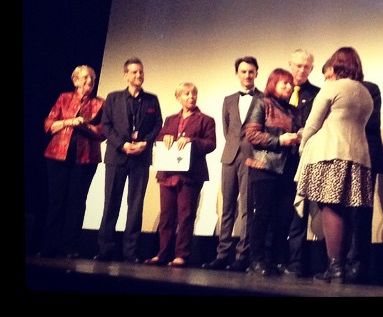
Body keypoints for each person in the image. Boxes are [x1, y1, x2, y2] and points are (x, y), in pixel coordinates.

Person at [296, 46, 373, 284]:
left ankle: (335, 266)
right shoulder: (365, 92)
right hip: (358, 156)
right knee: (346, 209)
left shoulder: (332, 87)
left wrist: (302, 146)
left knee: (330, 207)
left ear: (337, 65)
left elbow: (313, 123)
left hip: (331, 154)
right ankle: (341, 265)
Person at [322, 59, 383, 284]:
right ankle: (336, 264)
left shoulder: (368, 90)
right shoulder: (330, 91)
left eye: (329, 75)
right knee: (336, 209)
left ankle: (358, 265)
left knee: (360, 213)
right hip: (338, 155)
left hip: (362, 156)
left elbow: (368, 123)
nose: (328, 81)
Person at [94, 57, 163, 263]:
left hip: (140, 158)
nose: (139, 75)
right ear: (126, 75)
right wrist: (122, 144)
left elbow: (157, 124)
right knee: (111, 203)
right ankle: (105, 248)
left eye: (141, 72)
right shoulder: (113, 98)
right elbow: (106, 126)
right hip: (117, 156)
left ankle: (130, 252)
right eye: (134, 72)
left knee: (135, 205)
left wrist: (145, 143)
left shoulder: (151, 100)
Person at [144, 82, 216, 267]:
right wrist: (164, 137)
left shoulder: (205, 120)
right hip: (168, 173)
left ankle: (181, 255)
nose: (191, 96)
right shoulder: (170, 119)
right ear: (178, 98)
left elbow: (211, 144)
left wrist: (191, 141)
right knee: (166, 216)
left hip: (191, 175)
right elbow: (159, 138)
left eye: (193, 93)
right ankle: (163, 253)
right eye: (186, 93)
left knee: (186, 215)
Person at [40, 65, 106, 258]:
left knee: (77, 202)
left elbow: (103, 132)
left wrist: (85, 125)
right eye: (85, 77)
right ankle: (49, 246)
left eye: (92, 78)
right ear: (75, 81)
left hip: (85, 158)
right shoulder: (64, 98)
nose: (89, 81)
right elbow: (48, 125)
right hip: (57, 155)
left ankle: (70, 247)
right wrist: (69, 122)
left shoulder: (100, 103)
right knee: (56, 201)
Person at [203, 56, 261, 272]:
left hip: (251, 157)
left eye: (251, 71)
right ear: (237, 73)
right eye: (243, 71)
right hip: (229, 157)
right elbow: (227, 130)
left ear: (256, 73)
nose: (247, 75)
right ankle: (222, 254)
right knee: (227, 207)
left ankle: (242, 256)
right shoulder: (228, 100)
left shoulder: (264, 99)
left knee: (247, 208)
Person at [244, 68, 301, 276]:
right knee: (262, 215)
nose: (289, 86)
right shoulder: (262, 103)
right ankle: (256, 259)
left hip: (288, 169)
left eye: (290, 83)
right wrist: (279, 141)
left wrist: (299, 136)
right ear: (273, 83)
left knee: (284, 216)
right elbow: (251, 135)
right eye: (284, 83)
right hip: (264, 167)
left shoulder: (293, 110)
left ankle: (277, 259)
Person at [281, 48, 320, 277]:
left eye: (306, 66)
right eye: (298, 65)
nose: (302, 70)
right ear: (290, 65)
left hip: (303, 158)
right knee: (277, 210)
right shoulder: (277, 92)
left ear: (311, 69)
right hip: (278, 159)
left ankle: (296, 263)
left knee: (299, 211)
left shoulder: (317, 94)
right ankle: (274, 259)